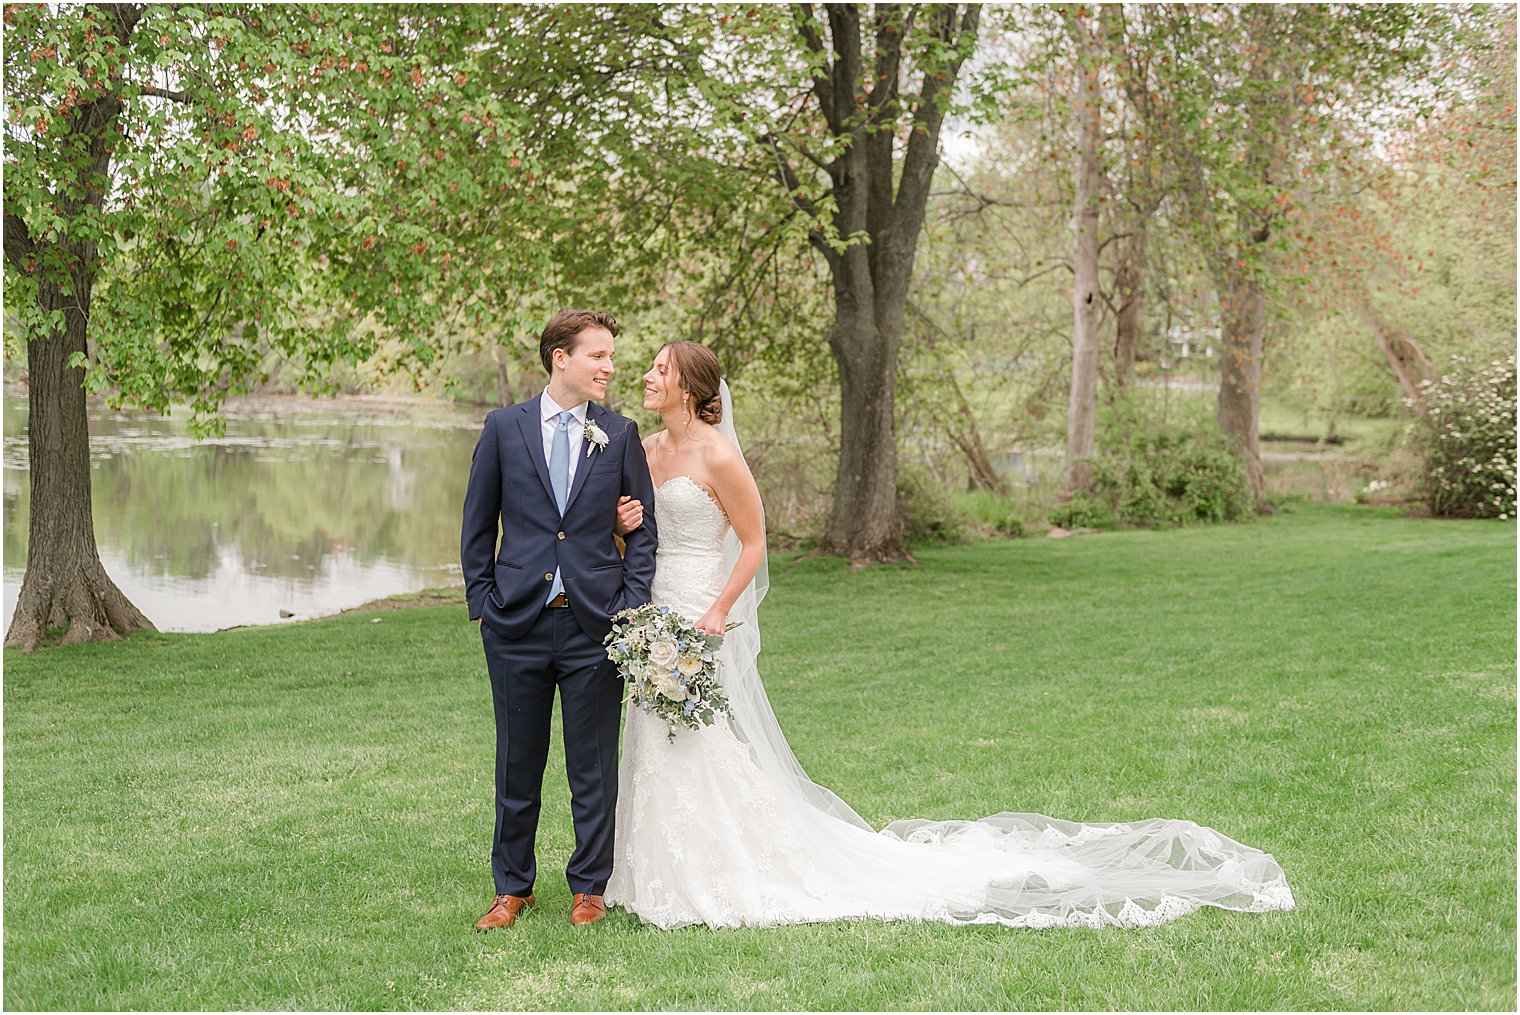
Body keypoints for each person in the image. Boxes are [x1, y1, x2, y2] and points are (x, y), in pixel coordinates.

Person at [604, 341, 1295, 929]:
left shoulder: (721, 456)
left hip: (701, 606)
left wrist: (721, 608)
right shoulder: (644, 444)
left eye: (660, 369)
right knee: (652, 731)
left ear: (691, 387)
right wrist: (624, 528)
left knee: (703, 736)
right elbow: (635, 525)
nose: (646, 375)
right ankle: (651, 872)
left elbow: (755, 544)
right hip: (654, 604)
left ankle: (723, 868)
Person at [460, 309, 657, 931]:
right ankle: (511, 888)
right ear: (560, 358)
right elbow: (476, 525)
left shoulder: (619, 434)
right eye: (598, 355)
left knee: (592, 765)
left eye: (611, 356)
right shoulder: (502, 428)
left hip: (594, 626)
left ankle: (589, 888)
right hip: (515, 624)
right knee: (517, 763)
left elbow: (643, 531)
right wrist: (484, 605)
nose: (609, 366)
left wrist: (628, 605)